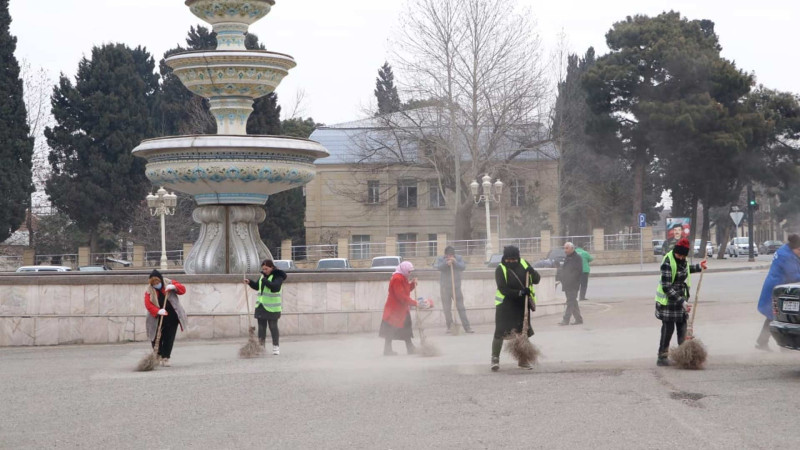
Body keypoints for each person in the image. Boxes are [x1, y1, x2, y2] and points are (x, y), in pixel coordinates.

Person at [655, 238, 707, 366]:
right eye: (679, 254)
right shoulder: (668, 262)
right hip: (668, 302)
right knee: (668, 329)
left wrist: (699, 267)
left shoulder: (682, 260)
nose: (681, 257)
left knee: (682, 328)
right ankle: (662, 357)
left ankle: (684, 356)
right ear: (675, 251)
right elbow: (666, 286)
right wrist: (681, 301)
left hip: (680, 300)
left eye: (683, 255)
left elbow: (685, 270)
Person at [491, 246, 541, 371]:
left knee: (522, 333)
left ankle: (523, 360)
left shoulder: (524, 264)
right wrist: (519, 292)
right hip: (505, 306)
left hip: (521, 305)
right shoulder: (500, 269)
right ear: (504, 258)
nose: (511, 262)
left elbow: (536, 280)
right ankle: (495, 359)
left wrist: (532, 272)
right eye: (508, 259)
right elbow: (503, 289)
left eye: (513, 259)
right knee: (500, 332)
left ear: (518, 257)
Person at [755, 234, 800, 350]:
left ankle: (762, 342)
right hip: (777, 289)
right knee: (777, 316)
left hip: (778, 287)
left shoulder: (786, 250)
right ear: (795, 247)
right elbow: (794, 275)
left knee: (773, 316)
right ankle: (782, 345)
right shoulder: (786, 256)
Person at [144, 269, 188, 367]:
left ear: (160, 280)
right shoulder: (149, 290)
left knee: (169, 338)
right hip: (156, 318)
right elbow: (148, 304)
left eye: (157, 282)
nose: (156, 284)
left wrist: (174, 287)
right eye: (154, 283)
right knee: (156, 338)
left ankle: (166, 357)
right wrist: (157, 311)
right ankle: (158, 355)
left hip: (172, 317)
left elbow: (183, 290)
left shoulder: (169, 283)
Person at [380, 261, 424, 356]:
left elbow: (406, 290)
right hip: (394, 310)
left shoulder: (403, 277)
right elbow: (401, 296)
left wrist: (412, 284)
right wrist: (415, 303)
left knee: (406, 329)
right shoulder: (397, 278)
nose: (410, 273)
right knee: (390, 330)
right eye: (409, 271)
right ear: (404, 269)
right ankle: (389, 350)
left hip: (401, 309)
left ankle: (409, 347)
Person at [244, 259, 287, 355]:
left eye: (266, 269)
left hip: (273, 307)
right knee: (261, 327)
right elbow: (257, 286)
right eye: (263, 269)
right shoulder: (263, 276)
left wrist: (264, 280)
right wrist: (250, 282)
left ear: (272, 267)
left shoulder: (278, 276)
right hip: (261, 305)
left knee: (273, 326)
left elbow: (275, 287)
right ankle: (261, 347)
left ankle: (276, 346)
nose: (264, 271)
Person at [433, 246, 473, 333]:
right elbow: (438, 267)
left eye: (452, 255)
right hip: (445, 288)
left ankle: (467, 327)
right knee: (446, 309)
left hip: (456, 287)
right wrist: (446, 263)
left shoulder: (458, 258)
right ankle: (450, 326)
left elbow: (463, 267)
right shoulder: (441, 259)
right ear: (445, 255)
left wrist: (455, 263)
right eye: (448, 255)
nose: (450, 257)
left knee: (461, 307)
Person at [557, 242, 584, 325]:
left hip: (573, 284)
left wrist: (570, 279)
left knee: (570, 301)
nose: (565, 250)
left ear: (572, 249)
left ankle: (566, 319)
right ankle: (579, 319)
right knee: (573, 302)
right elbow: (565, 269)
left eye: (567, 248)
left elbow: (578, 271)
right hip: (567, 284)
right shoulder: (567, 257)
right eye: (564, 248)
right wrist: (561, 277)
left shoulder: (577, 258)